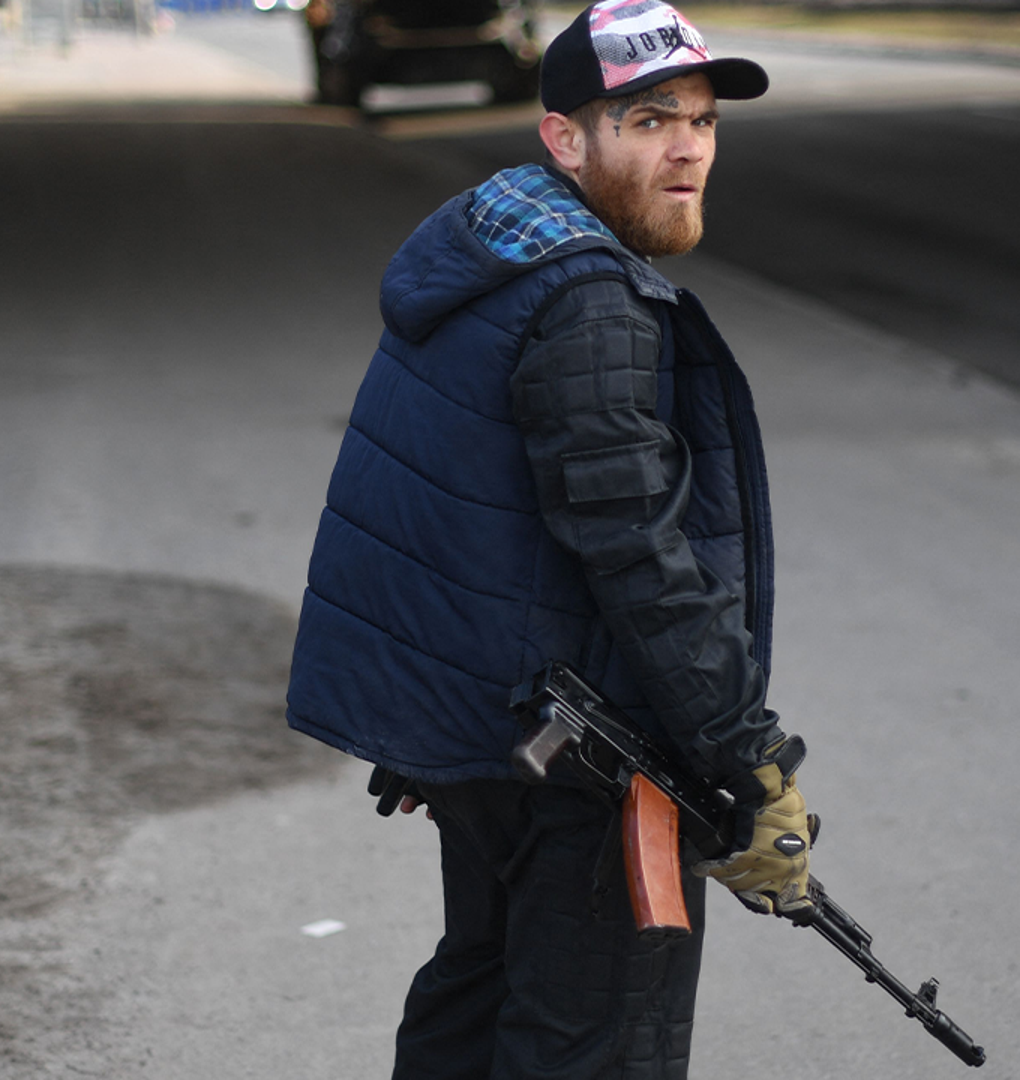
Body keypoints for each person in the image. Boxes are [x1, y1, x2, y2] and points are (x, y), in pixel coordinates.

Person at [283, 3, 816, 1075]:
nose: (687, 148)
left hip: (492, 736)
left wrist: (422, 734)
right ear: (565, 139)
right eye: (649, 118)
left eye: (703, 121)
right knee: (595, 1038)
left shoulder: (494, 259)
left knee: (480, 994)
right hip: (579, 750)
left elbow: (442, 509)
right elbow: (640, 555)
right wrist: (750, 762)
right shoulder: (587, 304)